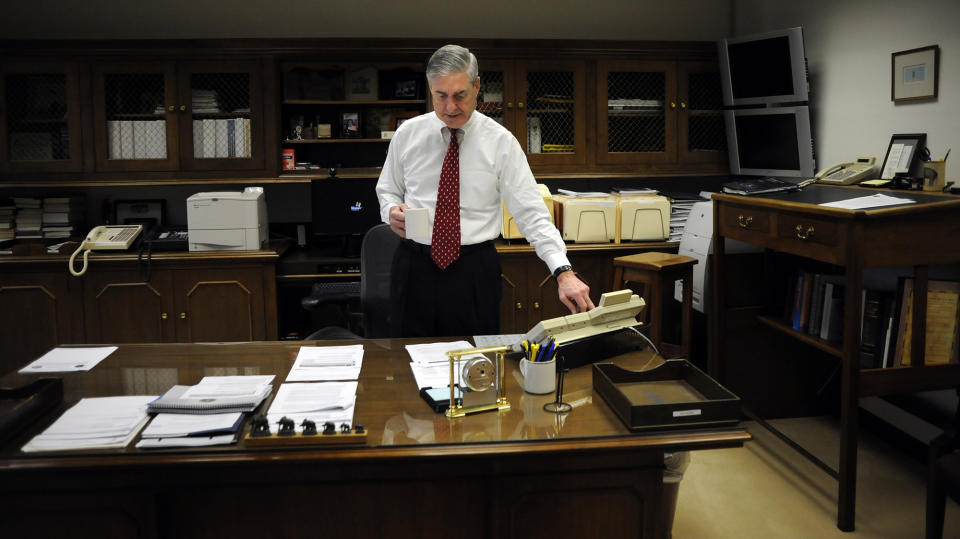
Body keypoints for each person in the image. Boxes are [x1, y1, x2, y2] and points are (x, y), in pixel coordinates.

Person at [376, 44, 593, 337]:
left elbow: (532, 214)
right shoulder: (408, 134)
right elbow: (388, 189)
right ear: (430, 89)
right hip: (414, 267)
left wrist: (563, 272)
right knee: (407, 360)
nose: (451, 107)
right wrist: (390, 210)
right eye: (441, 96)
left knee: (476, 364)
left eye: (460, 95)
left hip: (473, 271)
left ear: (477, 86)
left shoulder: (501, 142)